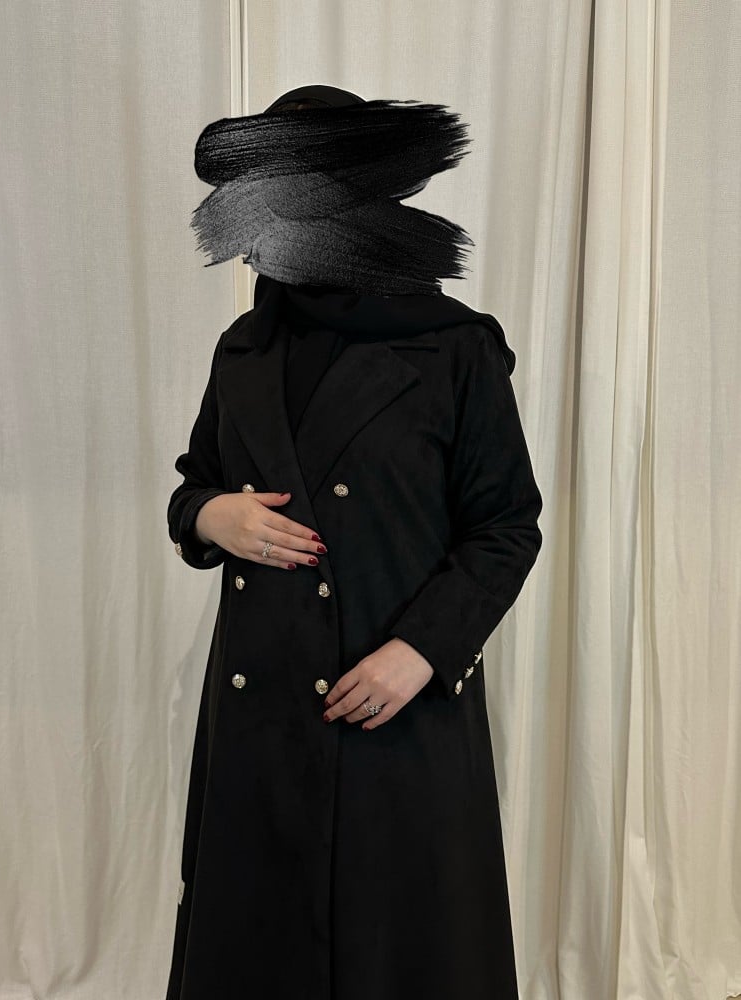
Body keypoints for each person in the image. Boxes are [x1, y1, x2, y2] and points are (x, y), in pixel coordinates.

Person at [165, 84, 543, 1000]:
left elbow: (506, 525)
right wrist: (212, 517)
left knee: (400, 949)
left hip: (393, 707)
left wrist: (421, 652)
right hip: (262, 717)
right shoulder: (243, 349)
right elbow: (192, 487)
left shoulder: (454, 348)